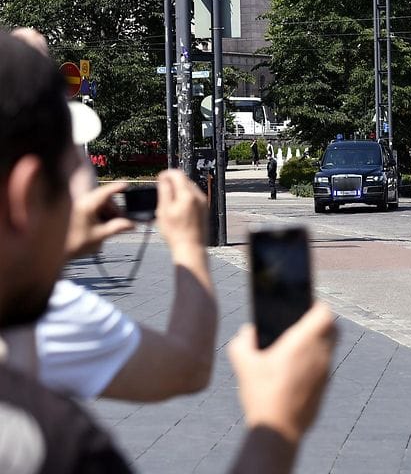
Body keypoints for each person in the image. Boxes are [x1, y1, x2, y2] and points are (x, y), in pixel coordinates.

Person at [0, 29, 337, 472]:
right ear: (25, 198)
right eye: (68, 174)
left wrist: (47, 248)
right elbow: (186, 365)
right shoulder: (42, 441)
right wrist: (278, 424)